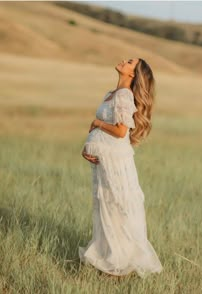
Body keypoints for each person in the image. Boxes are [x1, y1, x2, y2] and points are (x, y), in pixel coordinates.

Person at [79, 58, 163, 279]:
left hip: (116, 163)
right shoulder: (113, 93)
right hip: (104, 161)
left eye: (129, 62)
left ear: (132, 74)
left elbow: (120, 131)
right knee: (105, 207)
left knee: (116, 209)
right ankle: (110, 260)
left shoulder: (125, 95)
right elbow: (105, 132)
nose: (123, 61)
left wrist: (97, 124)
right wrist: (89, 147)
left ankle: (118, 266)